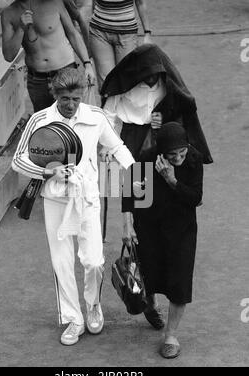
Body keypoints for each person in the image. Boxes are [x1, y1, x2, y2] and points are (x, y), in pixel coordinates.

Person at [12, 67, 135, 346]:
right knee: (62, 262)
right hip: (55, 200)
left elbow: (117, 147)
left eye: (76, 99)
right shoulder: (40, 120)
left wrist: (138, 175)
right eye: (65, 98)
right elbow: (17, 160)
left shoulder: (96, 117)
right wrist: (48, 173)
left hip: (87, 197)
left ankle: (93, 305)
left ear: (83, 95)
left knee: (93, 261)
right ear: (55, 94)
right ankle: (73, 318)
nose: (70, 105)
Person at [101, 43, 213, 331]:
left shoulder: (168, 84)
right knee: (142, 215)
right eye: (148, 75)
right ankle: (148, 300)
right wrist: (109, 145)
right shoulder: (125, 88)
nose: (153, 80)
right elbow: (110, 115)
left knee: (172, 206)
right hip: (136, 144)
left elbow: (184, 104)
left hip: (165, 139)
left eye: (156, 75)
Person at [123, 122, 204, 359]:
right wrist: (127, 223)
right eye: (173, 155)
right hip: (149, 226)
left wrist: (172, 179)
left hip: (182, 229)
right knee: (149, 274)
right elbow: (130, 190)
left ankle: (171, 335)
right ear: (161, 152)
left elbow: (196, 198)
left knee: (180, 281)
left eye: (182, 152)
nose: (179, 157)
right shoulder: (147, 158)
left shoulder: (193, 159)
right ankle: (151, 304)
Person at [1, 0, 95, 112]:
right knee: (44, 123)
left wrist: (87, 64)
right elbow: (8, 55)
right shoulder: (8, 14)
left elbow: (72, 34)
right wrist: (21, 28)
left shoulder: (54, 3)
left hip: (65, 72)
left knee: (72, 119)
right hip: (37, 79)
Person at [89, 0, 153, 89]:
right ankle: (107, 102)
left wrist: (147, 33)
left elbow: (140, 3)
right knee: (106, 84)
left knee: (126, 82)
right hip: (99, 33)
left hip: (127, 34)